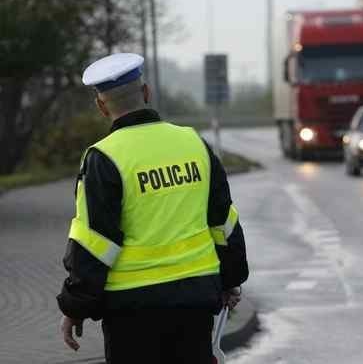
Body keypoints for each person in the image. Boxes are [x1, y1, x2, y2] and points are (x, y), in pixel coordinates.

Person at [56, 53, 248, 364]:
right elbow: (223, 221)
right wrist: (231, 279)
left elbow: (94, 243)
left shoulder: (103, 158)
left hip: (132, 310)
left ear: (101, 106)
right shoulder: (193, 143)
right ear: (147, 93)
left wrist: (74, 307)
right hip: (195, 300)